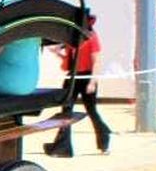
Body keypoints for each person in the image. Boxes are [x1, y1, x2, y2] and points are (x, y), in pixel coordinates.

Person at [45, 14, 110, 157]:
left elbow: (97, 61)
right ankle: (62, 146)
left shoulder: (92, 38)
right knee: (66, 110)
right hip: (73, 77)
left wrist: (92, 81)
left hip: (86, 77)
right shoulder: (73, 40)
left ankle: (104, 139)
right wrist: (58, 54)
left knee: (91, 111)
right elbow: (70, 61)